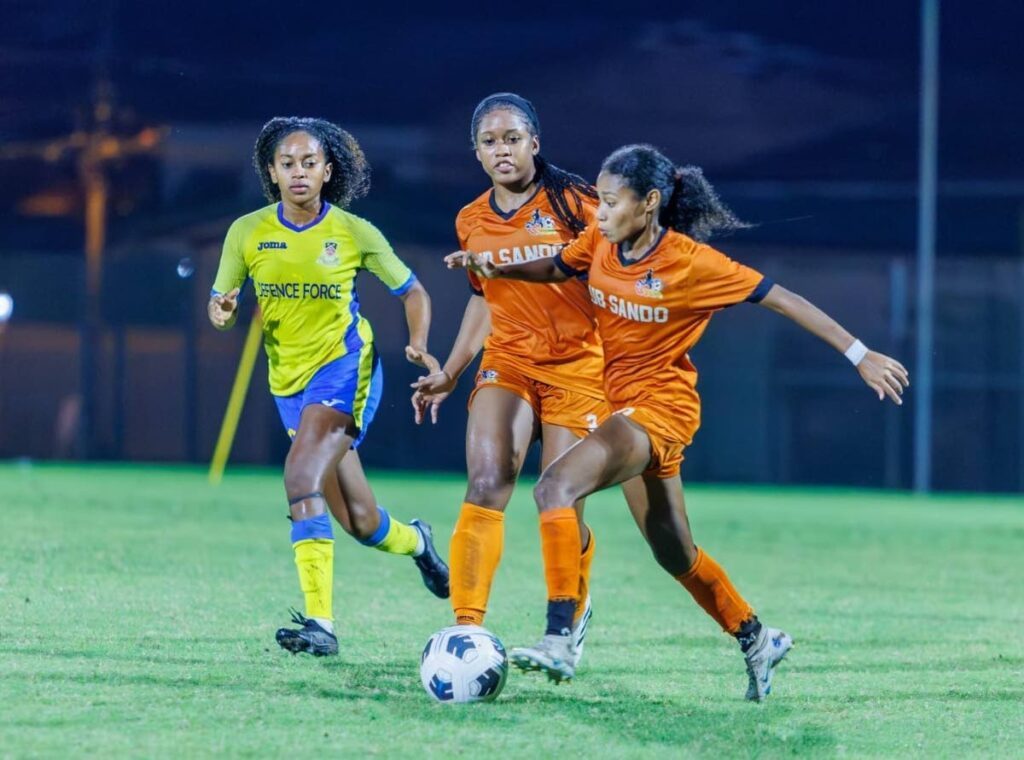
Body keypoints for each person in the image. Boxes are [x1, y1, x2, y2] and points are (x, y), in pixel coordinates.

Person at [448, 143, 910, 700]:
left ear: (649, 204)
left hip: (661, 409)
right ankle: (757, 637)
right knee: (674, 551)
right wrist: (494, 264)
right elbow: (553, 267)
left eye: (611, 203)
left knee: (554, 488)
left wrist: (860, 355)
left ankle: (559, 638)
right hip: (623, 406)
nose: (598, 212)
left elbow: (782, 298)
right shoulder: (599, 239)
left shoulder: (691, 263)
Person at [411, 93, 643, 668]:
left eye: (512, 138)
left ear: (534, 143)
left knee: (561, 502)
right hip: (509, 360)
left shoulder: (578, 204)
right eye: (490, 142)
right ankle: (464, 632)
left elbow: (627, 273)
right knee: (488, 480)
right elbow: (483, 304)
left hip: (580, 367)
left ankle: (571, 611)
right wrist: (451, 370)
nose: (502, 150)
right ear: (477, 153)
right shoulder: (471, 219)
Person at [208, 116, 450, 657]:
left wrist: (417, 342)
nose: (298, 173)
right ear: (271, 172)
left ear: (327, 170)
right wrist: (223, 310)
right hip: (287, 382)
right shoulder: (246, 233)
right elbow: (219, 305)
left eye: (309, 163)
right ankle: (419, 542)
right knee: (360, 522)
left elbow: (413, 291)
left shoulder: (352, 231)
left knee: (299, 474)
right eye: (287, 164)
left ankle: (321, 625)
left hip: (345, 366)